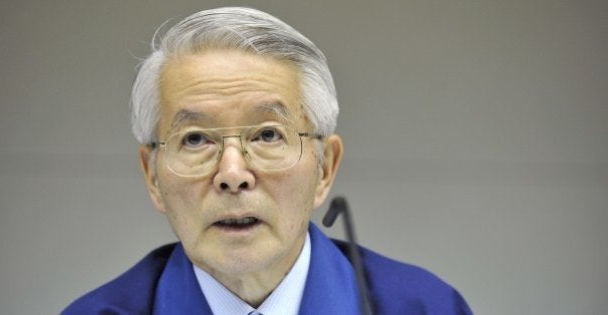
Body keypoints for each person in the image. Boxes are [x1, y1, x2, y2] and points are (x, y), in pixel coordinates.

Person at [63, 7, 472, 315]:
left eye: (268, 135)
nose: (233, 174)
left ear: (325, 168)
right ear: (152, 176)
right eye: (195, 139)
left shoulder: (427, 307)